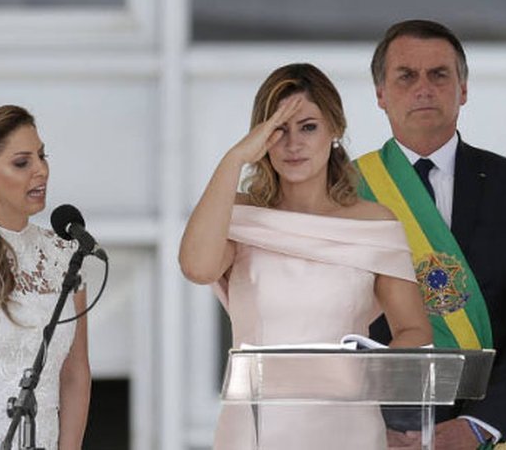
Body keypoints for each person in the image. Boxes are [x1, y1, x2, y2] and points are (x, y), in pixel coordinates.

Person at [179, 63, 432, 450]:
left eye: (308, 127)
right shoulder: (238, 216)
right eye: (279, 130)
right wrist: (233, 160)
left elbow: (414, 329)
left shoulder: (375, 223)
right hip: (253, 429)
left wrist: (379, 380)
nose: (293, 144)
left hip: (348, 426)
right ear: (261, 138)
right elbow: (196, 267)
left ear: (335, 129)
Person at [357, 19, 506, 450]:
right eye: (406, 76)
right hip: (377, 435)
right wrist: (370, 427)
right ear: (380, 94)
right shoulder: (346, 189)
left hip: (485, 434)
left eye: (439, 74)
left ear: (463, 89)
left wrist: (479, 425)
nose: (424, 88)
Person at [0, 105, 91, 450]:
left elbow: (75, 371)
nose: (41, 171)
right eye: (22, 162)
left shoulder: (64, 255)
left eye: (42, 156)